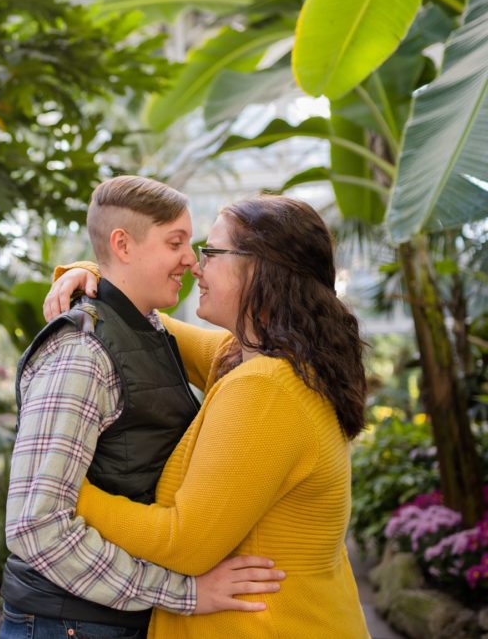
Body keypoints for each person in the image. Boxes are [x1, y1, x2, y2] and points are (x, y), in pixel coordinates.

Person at [44, 194, 370, 638]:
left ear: (260, 268)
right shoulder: (255, 359)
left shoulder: (267, 389)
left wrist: (62, 490)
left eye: (211, 253)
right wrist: (97, 270)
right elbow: (143, 317)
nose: (195, 267)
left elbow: (184, 543)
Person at [0, 177, 285, 639]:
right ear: (123, 245)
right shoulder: (81, 354)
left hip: (106, 617)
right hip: (70, 623)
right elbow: (36, 527)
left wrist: (86, 271)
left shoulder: (149, 330)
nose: (191, 260)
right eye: (176, 242)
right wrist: (184, 592)